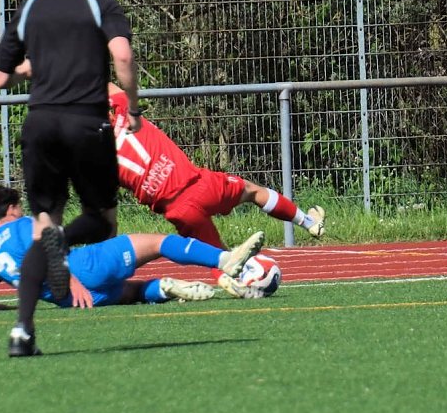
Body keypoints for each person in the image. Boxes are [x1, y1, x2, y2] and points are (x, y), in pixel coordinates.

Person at [0, 0, 142, 354]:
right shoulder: (99, 1)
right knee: (101, 219)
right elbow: (123, 56)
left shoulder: (31, 6)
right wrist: (132, 105)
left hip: (39, 126)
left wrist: (28, 69)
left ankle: (22, 330)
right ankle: (64, 242)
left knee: (43, 227)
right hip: (85, 123)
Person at [0, 187, 266, 356]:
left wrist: (7, 305)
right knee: (160, 242)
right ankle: (225, 260)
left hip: (73, 300)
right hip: (83, 268)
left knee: (133, 291)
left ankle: (163, 288)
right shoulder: (23, 225)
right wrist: (72, 279)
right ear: (12, 209)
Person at [107, 82, 326, 295]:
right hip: (200, 186)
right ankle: (308, 222)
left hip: (177, 210)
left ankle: (224, 278)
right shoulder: (127, 115)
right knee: (252, 191)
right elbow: (105, 83)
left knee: (217, 255)